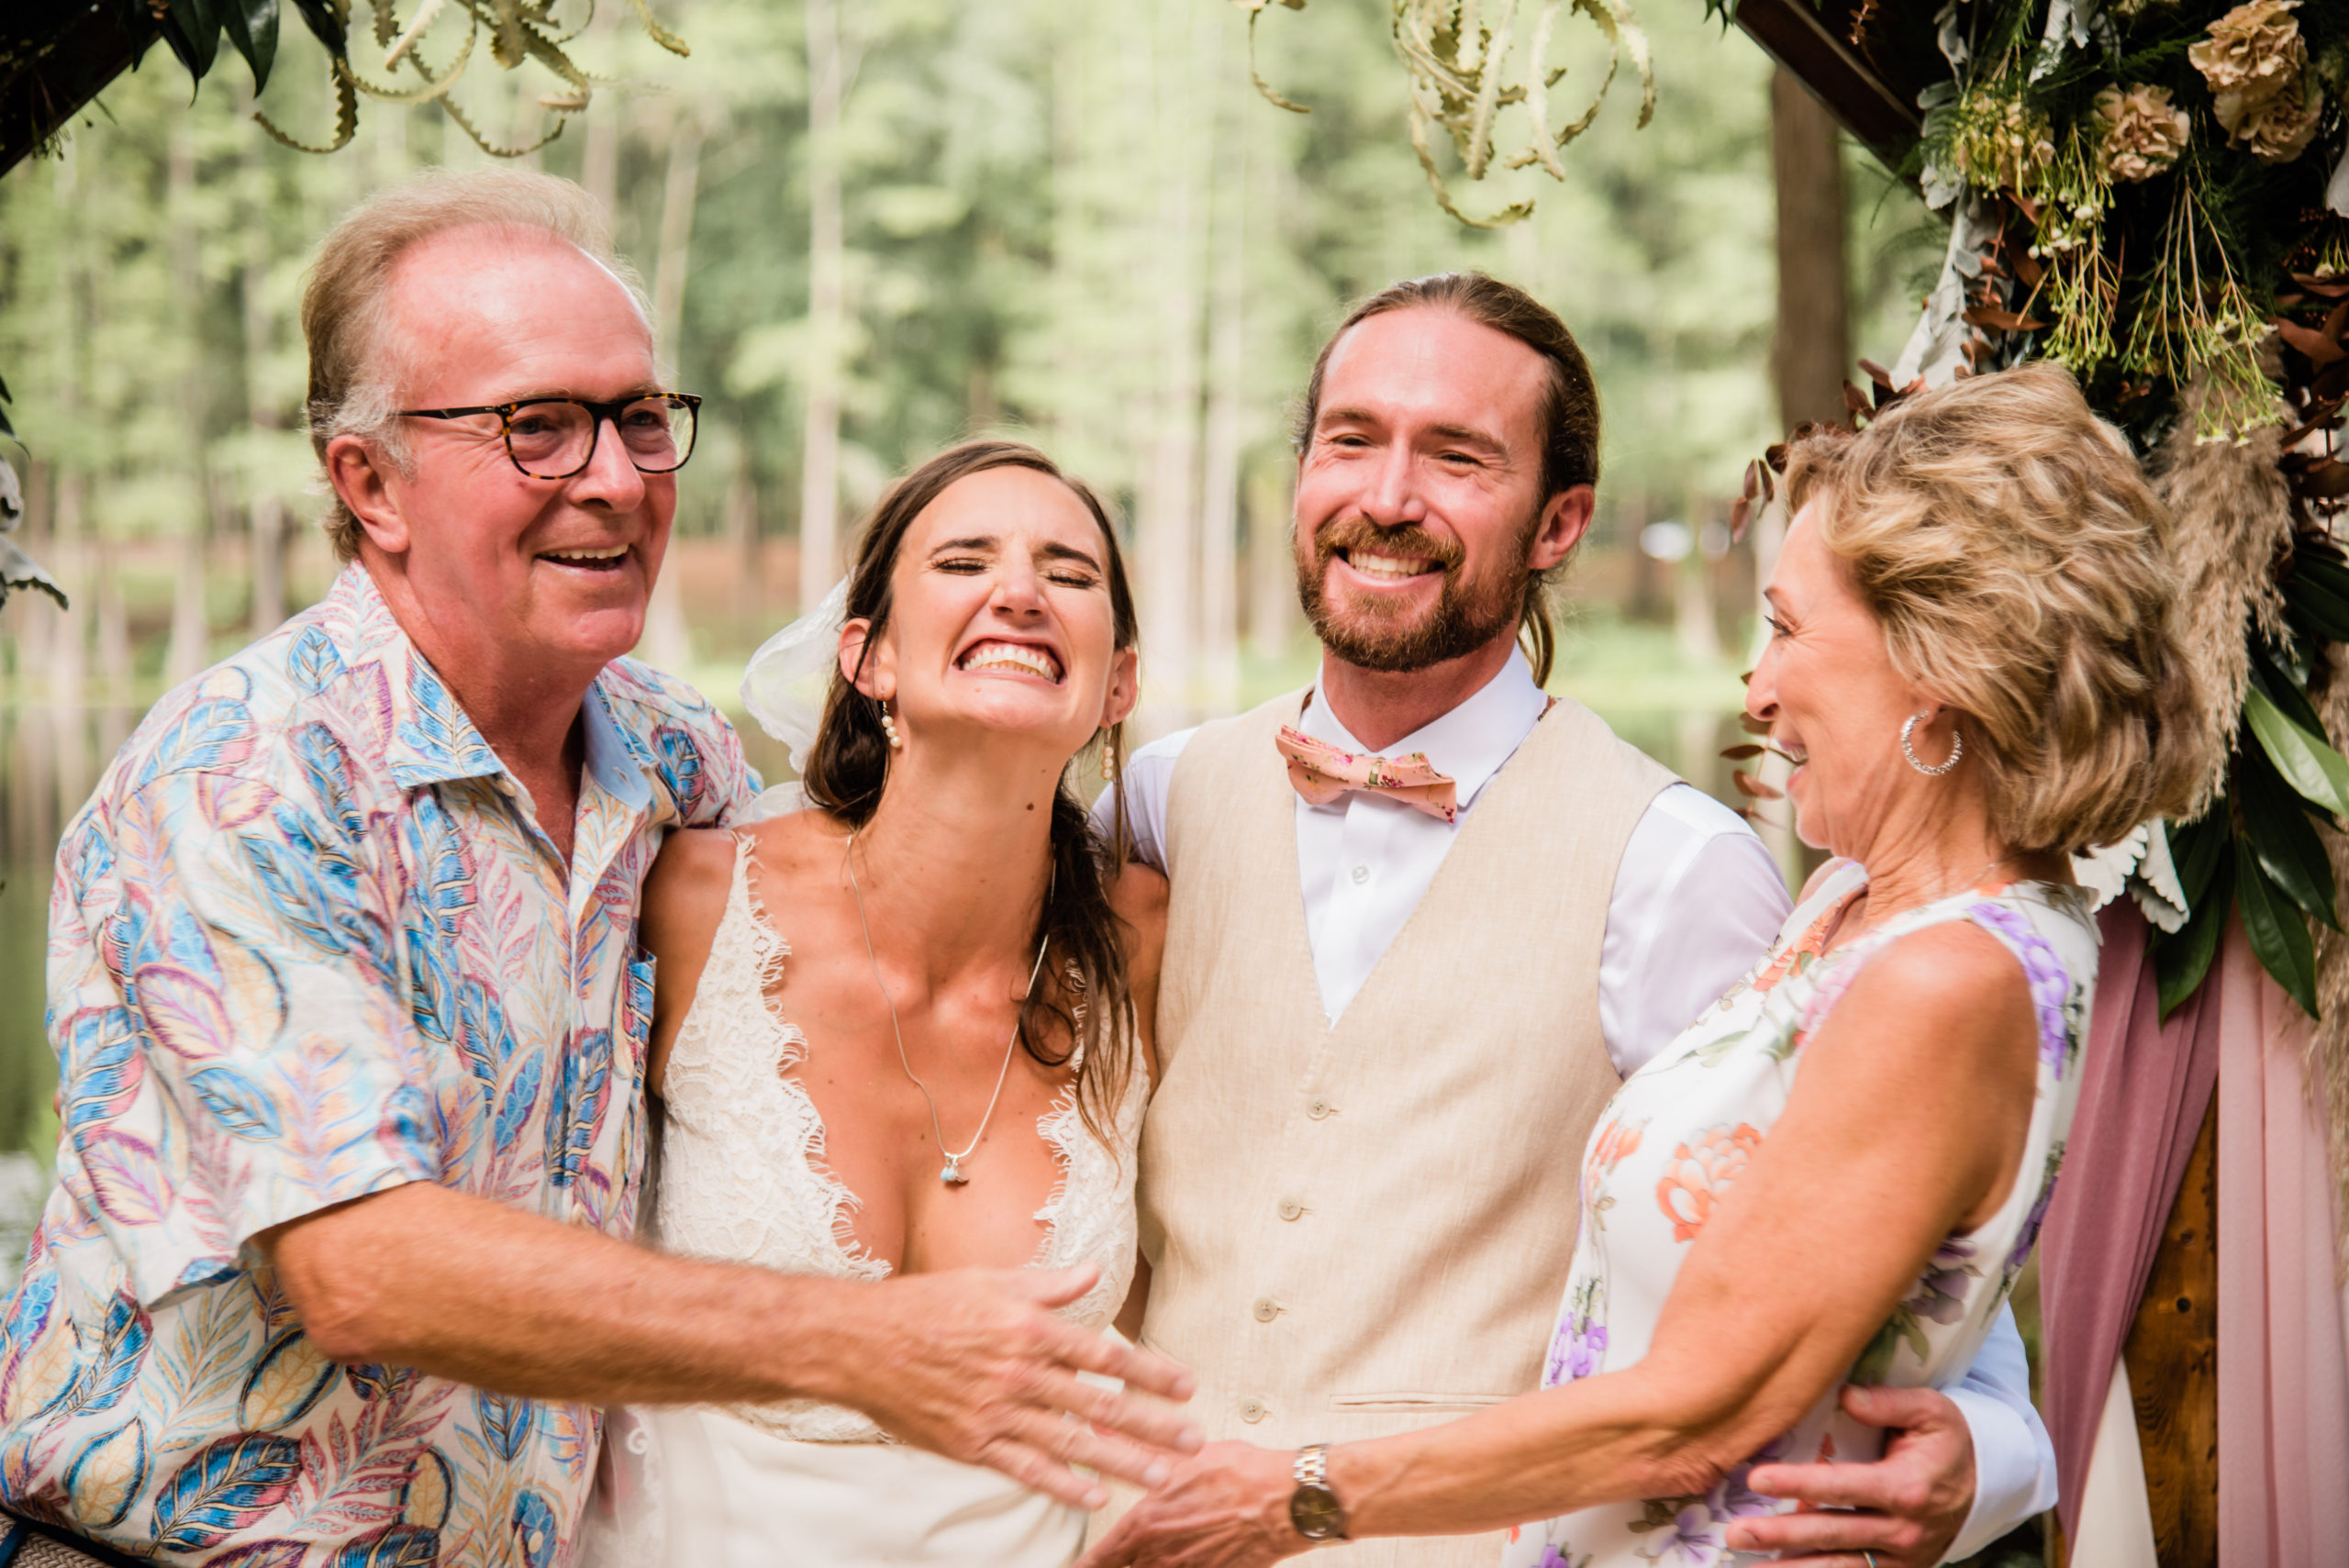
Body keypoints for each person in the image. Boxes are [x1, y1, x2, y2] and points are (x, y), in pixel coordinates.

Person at [0, 172, 1194, 1567]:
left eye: (639, 419)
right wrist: (863, 1339)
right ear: (368, 483)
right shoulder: (247, 778)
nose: (617, 477)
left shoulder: (673, 761)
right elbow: (360, 1265)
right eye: (537, 427)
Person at [1079, 361, 2208, 1568]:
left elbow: (1697, 1412)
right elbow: (1886, 1265)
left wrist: (1292, 1497)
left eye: (1784, 627)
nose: (1758, 688)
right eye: (1348, 438)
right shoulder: (1857, 907)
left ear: (1938, 669)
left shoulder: (1938, 969)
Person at [601, 440, 1168, 1566]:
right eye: (965, 560)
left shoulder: (1146, 938)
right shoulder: (691, 900)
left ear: (1118, 684)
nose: (1019, 590)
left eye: (1068, 572)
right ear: (867, 657)